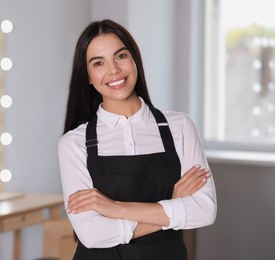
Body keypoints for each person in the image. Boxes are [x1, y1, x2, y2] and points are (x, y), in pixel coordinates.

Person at [57, 19, 217, 260]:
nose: (113, 70)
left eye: (120, 56)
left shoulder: (180, 127)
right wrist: (172, 205)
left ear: (134, 60)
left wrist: (115, 209)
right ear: (88, 76)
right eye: (98, 63)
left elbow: (205, 210)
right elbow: (92, 235)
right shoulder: (74, 143)